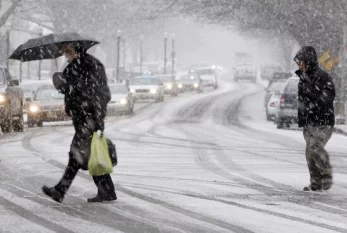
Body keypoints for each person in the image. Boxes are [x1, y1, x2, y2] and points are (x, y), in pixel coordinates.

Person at [42, 42, 117, 203]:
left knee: (75, 155)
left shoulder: (90, 65)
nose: (64, 53)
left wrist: (94, 115)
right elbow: (69, 90)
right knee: (90, 155)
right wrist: (60, 83)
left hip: (88, 118)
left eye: (67, 49)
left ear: (76, 49)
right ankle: (107, 191)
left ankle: (60, 190)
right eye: (63, 51)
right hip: (83, 118)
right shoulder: (73, 67)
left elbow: (101, 94)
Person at [294, 46, 336, 191]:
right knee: (310, 153)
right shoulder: (302, 80)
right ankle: (316, 182)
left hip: (324, 121)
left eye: (301, 62)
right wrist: (302, 121)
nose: (299, 65)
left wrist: (315, 103)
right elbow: (301, 101)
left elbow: (329, 95)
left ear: (308, 61)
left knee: (315, 148)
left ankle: (326, 175)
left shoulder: (323, 77)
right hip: (310, 123)